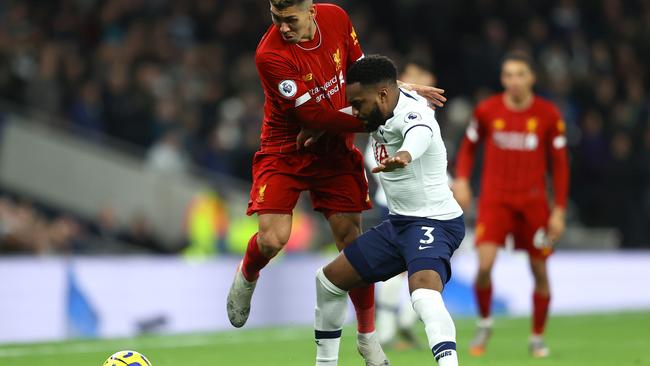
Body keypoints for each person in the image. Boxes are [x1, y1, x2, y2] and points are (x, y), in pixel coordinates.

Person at [226, 1, 445, 365]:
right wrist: (379, 114)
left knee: (352, 245)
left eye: (290, 19)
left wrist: (397, 89)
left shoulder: (337, 18)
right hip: (286, 147)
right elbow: (309, 115)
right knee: (273, 238)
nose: (282, 27)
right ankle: (247, 274)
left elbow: (359, 76)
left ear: (311, 9)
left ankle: (367, 337)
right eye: (275, 19)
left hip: (334, 149)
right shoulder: (269, 55)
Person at [313, 55, 464, 366]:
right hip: (399, 224)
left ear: (382, 95)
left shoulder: (414, 111)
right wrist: (323, 126)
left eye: (358, 104)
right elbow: (348, 105)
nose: (354, 112)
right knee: (328, 280)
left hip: (435, 221)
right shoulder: (380, 104)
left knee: (422, 293)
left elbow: (419, 131)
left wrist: (406, 154)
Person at [453, 52, 569, 358]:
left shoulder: (548, 114)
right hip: (496, 200)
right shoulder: (487, 110)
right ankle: (485, 322)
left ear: (532, 77)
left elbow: (559, 165)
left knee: (539, 270)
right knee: (485, 266)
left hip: (533, 204)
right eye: (507, 75)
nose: (513, 81)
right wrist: (462, 179)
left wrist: (559, 210)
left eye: (519, 74)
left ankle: (537, 336)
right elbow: (467, 148)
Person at [366, 59, 436, 349]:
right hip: (393, 201)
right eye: (420, 77)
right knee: (397, 268)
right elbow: (374, 153)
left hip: (423, 200)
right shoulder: (387, 107)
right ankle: (387, 329)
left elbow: (429, 151)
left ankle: (404, 321)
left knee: (416, 265)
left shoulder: (419, 111)